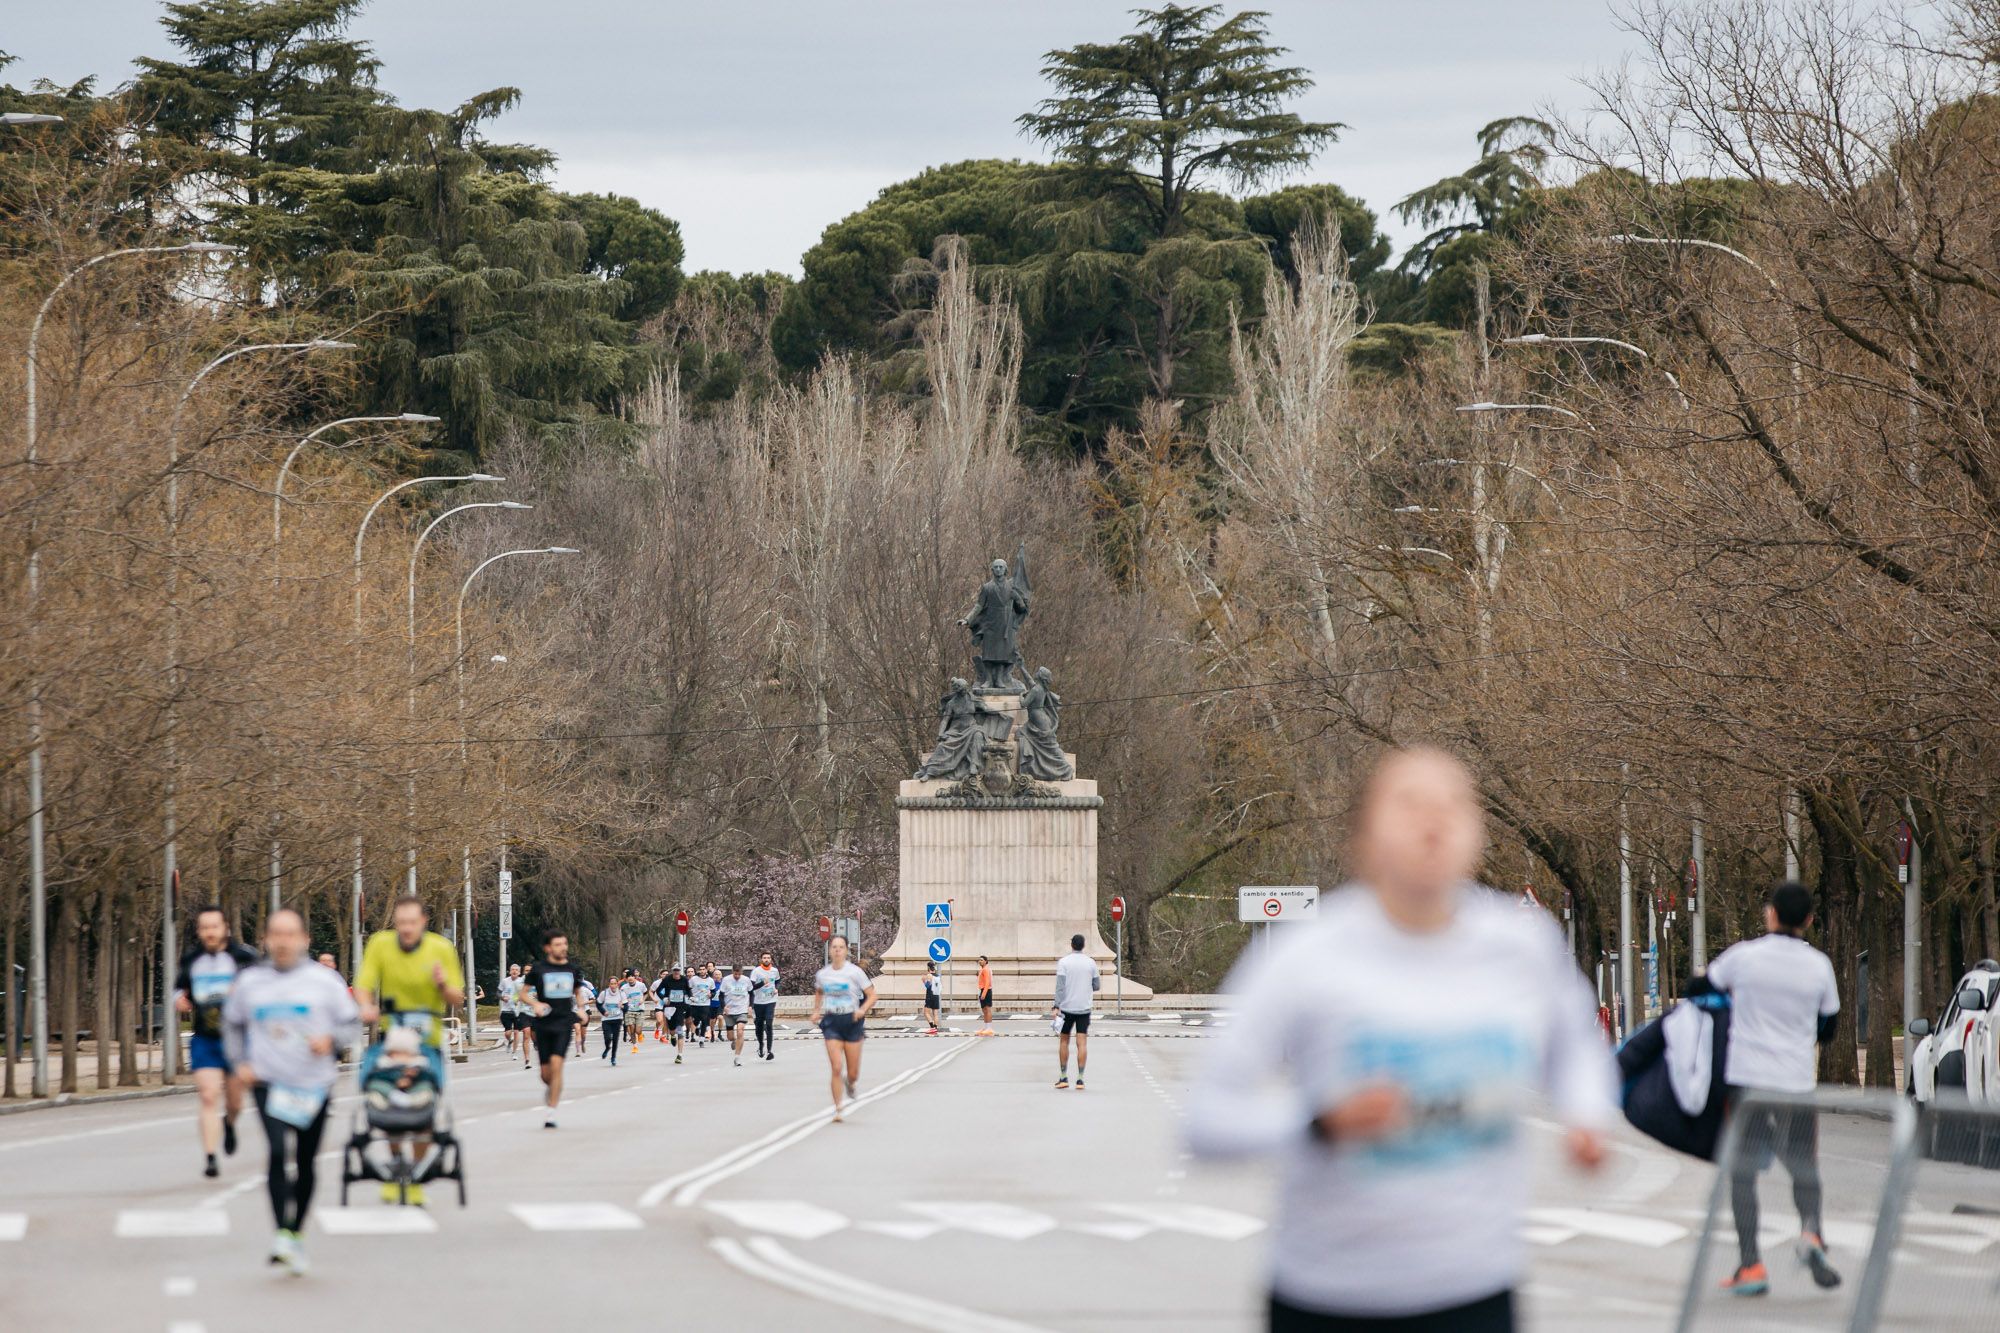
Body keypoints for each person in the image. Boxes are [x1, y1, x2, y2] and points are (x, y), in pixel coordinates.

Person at [1185, 747, 1616, 1332]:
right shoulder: (1306, 957)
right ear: (1363, 839)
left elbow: (1576, 1048)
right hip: (1330, 1296)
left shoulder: (1522, 944)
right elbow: (1207, 1120)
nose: (1432, 821)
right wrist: (1321, 1122)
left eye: (1454, 804)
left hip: (1477, 1289)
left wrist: (1587, 1116)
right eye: (1409, 803)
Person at [1708, 881, 1843, 1297]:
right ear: (1809, 920)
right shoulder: (1819, 965)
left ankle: (1751, 1265)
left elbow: (1707, 989)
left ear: (1770, 914)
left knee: (1743, 1173)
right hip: (1795, 1081)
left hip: (1747, 1082)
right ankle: (1813, 1232)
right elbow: (1830, 1027)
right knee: (1803, 1163)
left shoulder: (1743, 957)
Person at [222, 909, 360, 1276]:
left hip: (314, 1083)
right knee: (278, 1150)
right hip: (268, 1082)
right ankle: (282, 1233)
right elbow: (232, 1025)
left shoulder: (324, 981)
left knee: (305, 1161)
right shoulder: (251, 981)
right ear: (266, 940)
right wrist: (240, 1063)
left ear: (304, 940)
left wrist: (330, 1041)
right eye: (276, 935)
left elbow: (350, 1024)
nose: (283, 942)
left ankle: (295, 1230)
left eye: (291, 934)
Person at [354, 896, 464, 1205]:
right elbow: (363, 983)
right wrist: (365, 1006)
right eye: (401, 923)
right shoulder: (380, 944)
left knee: (423, 1109)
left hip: (428, 1039)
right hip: (394, 1038)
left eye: (412, 923)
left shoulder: (440, 949)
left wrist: (443, 986)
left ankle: (414, 1173)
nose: (405, 929)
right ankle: (396, 1164)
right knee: (389, 1100)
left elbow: (458, 998)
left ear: (423, 922)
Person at [175, 905, 260, 1178]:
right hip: (205, 1038)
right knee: (208, 1095)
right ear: (199, 931)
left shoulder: (243, 958)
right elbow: (179, 989)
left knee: (235, 1102)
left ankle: (230, 1123)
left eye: (215, 927)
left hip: (236, 1040)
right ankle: (211, 1157)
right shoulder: (191, 960)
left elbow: (263, 988)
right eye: (205, 928)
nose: (210, 932)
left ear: (225, 929)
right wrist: (180, 1000)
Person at [522, 930, 583, 1129]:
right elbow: (522, 995)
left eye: (564, 943)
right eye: (558, 944)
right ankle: (552, 1088)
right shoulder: (539, 969)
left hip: (563, 1023)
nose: (563, 947)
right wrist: (536, 1005)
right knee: (546, 1074)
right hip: (543, 1024)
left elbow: (577, 992)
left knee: (557, 1065)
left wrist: (581, 1010)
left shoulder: (572, 969)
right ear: (548, 948)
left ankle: (551, 1112)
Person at [812, 936, 876, 1122]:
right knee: (836, 1066)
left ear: (847, 950)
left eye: (841, 947)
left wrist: (862, 1010)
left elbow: (872, 995)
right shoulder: (823, 974)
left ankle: (851, 1082)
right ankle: (838, 1107)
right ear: (830, 950)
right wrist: (816, 1011)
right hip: (832, 1021)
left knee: (853, 1071)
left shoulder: (854, 972)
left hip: (852, 1020)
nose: (837, 950)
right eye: (834, 947)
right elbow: (819, 991)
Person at [1052, 934, 1099, 1089]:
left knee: (1064, 1041)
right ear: (1083, 945)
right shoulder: (1091, 963)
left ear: (1071, 944)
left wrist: (1056, 1005)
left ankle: (1064, 1077)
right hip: (1084, 1008)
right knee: (1082, 1043)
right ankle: (1080, 1079)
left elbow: (1060, 986)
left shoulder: (1064, 962)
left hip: (1066, 1008)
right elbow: (1097, 985)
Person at [719, 963, 754, 1067]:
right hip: (729, 1010)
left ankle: (737, 1057)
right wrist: (723, 1006)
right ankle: (734, 1041)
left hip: (742, 1009)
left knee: (740, 1031)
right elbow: (721, 995)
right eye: (735, 974)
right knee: (730, 1036)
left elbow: (751, 993)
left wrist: (750, 1006)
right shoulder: (726, 980)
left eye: (739, 974)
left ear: (742, 972)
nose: (737, 976)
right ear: (732, 971)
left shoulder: (746, 980)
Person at [749, 952, 781, 1061]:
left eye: (768, 958)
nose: (766, 959)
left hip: (771, 1000)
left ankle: (769, 1050)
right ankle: (761, 1045)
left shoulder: (774, 970)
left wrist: (776, 988)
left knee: (769, 1023)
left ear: (771, 960)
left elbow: (777, 981)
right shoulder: (756, 971)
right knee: (759, 1026)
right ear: (761, 959)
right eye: (764, 958)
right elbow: (751, 987)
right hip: (758, 1002)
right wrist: (762, 983)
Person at [596, 976, 626, 1066]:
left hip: (617, 1018)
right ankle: (607, 1048)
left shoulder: (621, 994)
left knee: (615, 1039)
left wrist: (622, 1007)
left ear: (617, 984)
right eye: (611, 984)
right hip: (606, 1019)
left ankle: (613, 1057)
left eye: (615, 984)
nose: (613, 985)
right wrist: (603, 1011)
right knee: (608, 1038)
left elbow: (626, 1007)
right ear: (609, 984)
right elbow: (598, 1004)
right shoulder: (604, 993)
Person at [498, 963, 526, 1060]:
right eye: (512, 969)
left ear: (519, 972)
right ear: (510, 971)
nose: (514, 971)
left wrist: (520, 999)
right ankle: (509, 1040)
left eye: (516, 970)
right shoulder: (505, 981)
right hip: (506, 1010)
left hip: (518, 1011)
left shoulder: (522, 982)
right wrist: (502, 998)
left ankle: (514, 1053)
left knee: (516, 1032)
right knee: (508, 1033)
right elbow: (498, 992)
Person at [687, 964, 715, 1047]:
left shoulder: (710, 980)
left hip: (705, 1003)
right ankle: (697, 1027)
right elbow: (688, 989)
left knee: (704, 1020)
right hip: (695, 1003)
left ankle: (701, 1039)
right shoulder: (693, 979)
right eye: (700, 969)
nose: (702, 971)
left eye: (704, 969)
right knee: (695, 1020)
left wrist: (711, 995)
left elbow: (713, 991)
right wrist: (691, 997)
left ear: (706, 970)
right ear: (698, 971)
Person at [976, 955, 995, 1036]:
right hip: (983, 990)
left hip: (986, 991)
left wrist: (984, 993)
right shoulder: (983, 969)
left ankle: (989, 1028)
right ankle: (986, 1027)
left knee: (987, 1009)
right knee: (984, 1010)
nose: (980, 961)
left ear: (986, 961)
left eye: (981, 960)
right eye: (979, 960)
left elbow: (987, 982)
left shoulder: (986, 969)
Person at [922, 962, 942, 1035]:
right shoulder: (937, 976)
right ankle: (935, 1028)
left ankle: (932, 1028)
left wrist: (924, 981)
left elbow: (928, 986)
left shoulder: (929, 975)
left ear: (928, 968)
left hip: (930, 995)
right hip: (936, 995)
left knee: (926, 1012)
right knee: (935, 1013)